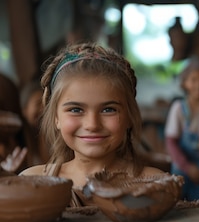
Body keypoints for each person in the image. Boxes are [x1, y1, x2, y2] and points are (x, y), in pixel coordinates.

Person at [20, 43, 164, 206]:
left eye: (108, 109)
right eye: (75, 110)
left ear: (129, 116)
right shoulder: (32, 184)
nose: (92, 125)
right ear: (56, 117)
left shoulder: (154, 184)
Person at [164, 59, 199, 201]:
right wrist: (188, 168)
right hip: (184, 163)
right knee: (178, 179)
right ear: (184, 82)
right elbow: (171, 142)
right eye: (193, 80)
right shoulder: (179, 108)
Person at [20, 79, 50, 164]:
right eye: (38, 103)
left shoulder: (54, 135)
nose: (43, 108)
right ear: (24, 110)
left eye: (46, 103)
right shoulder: (20, 141)